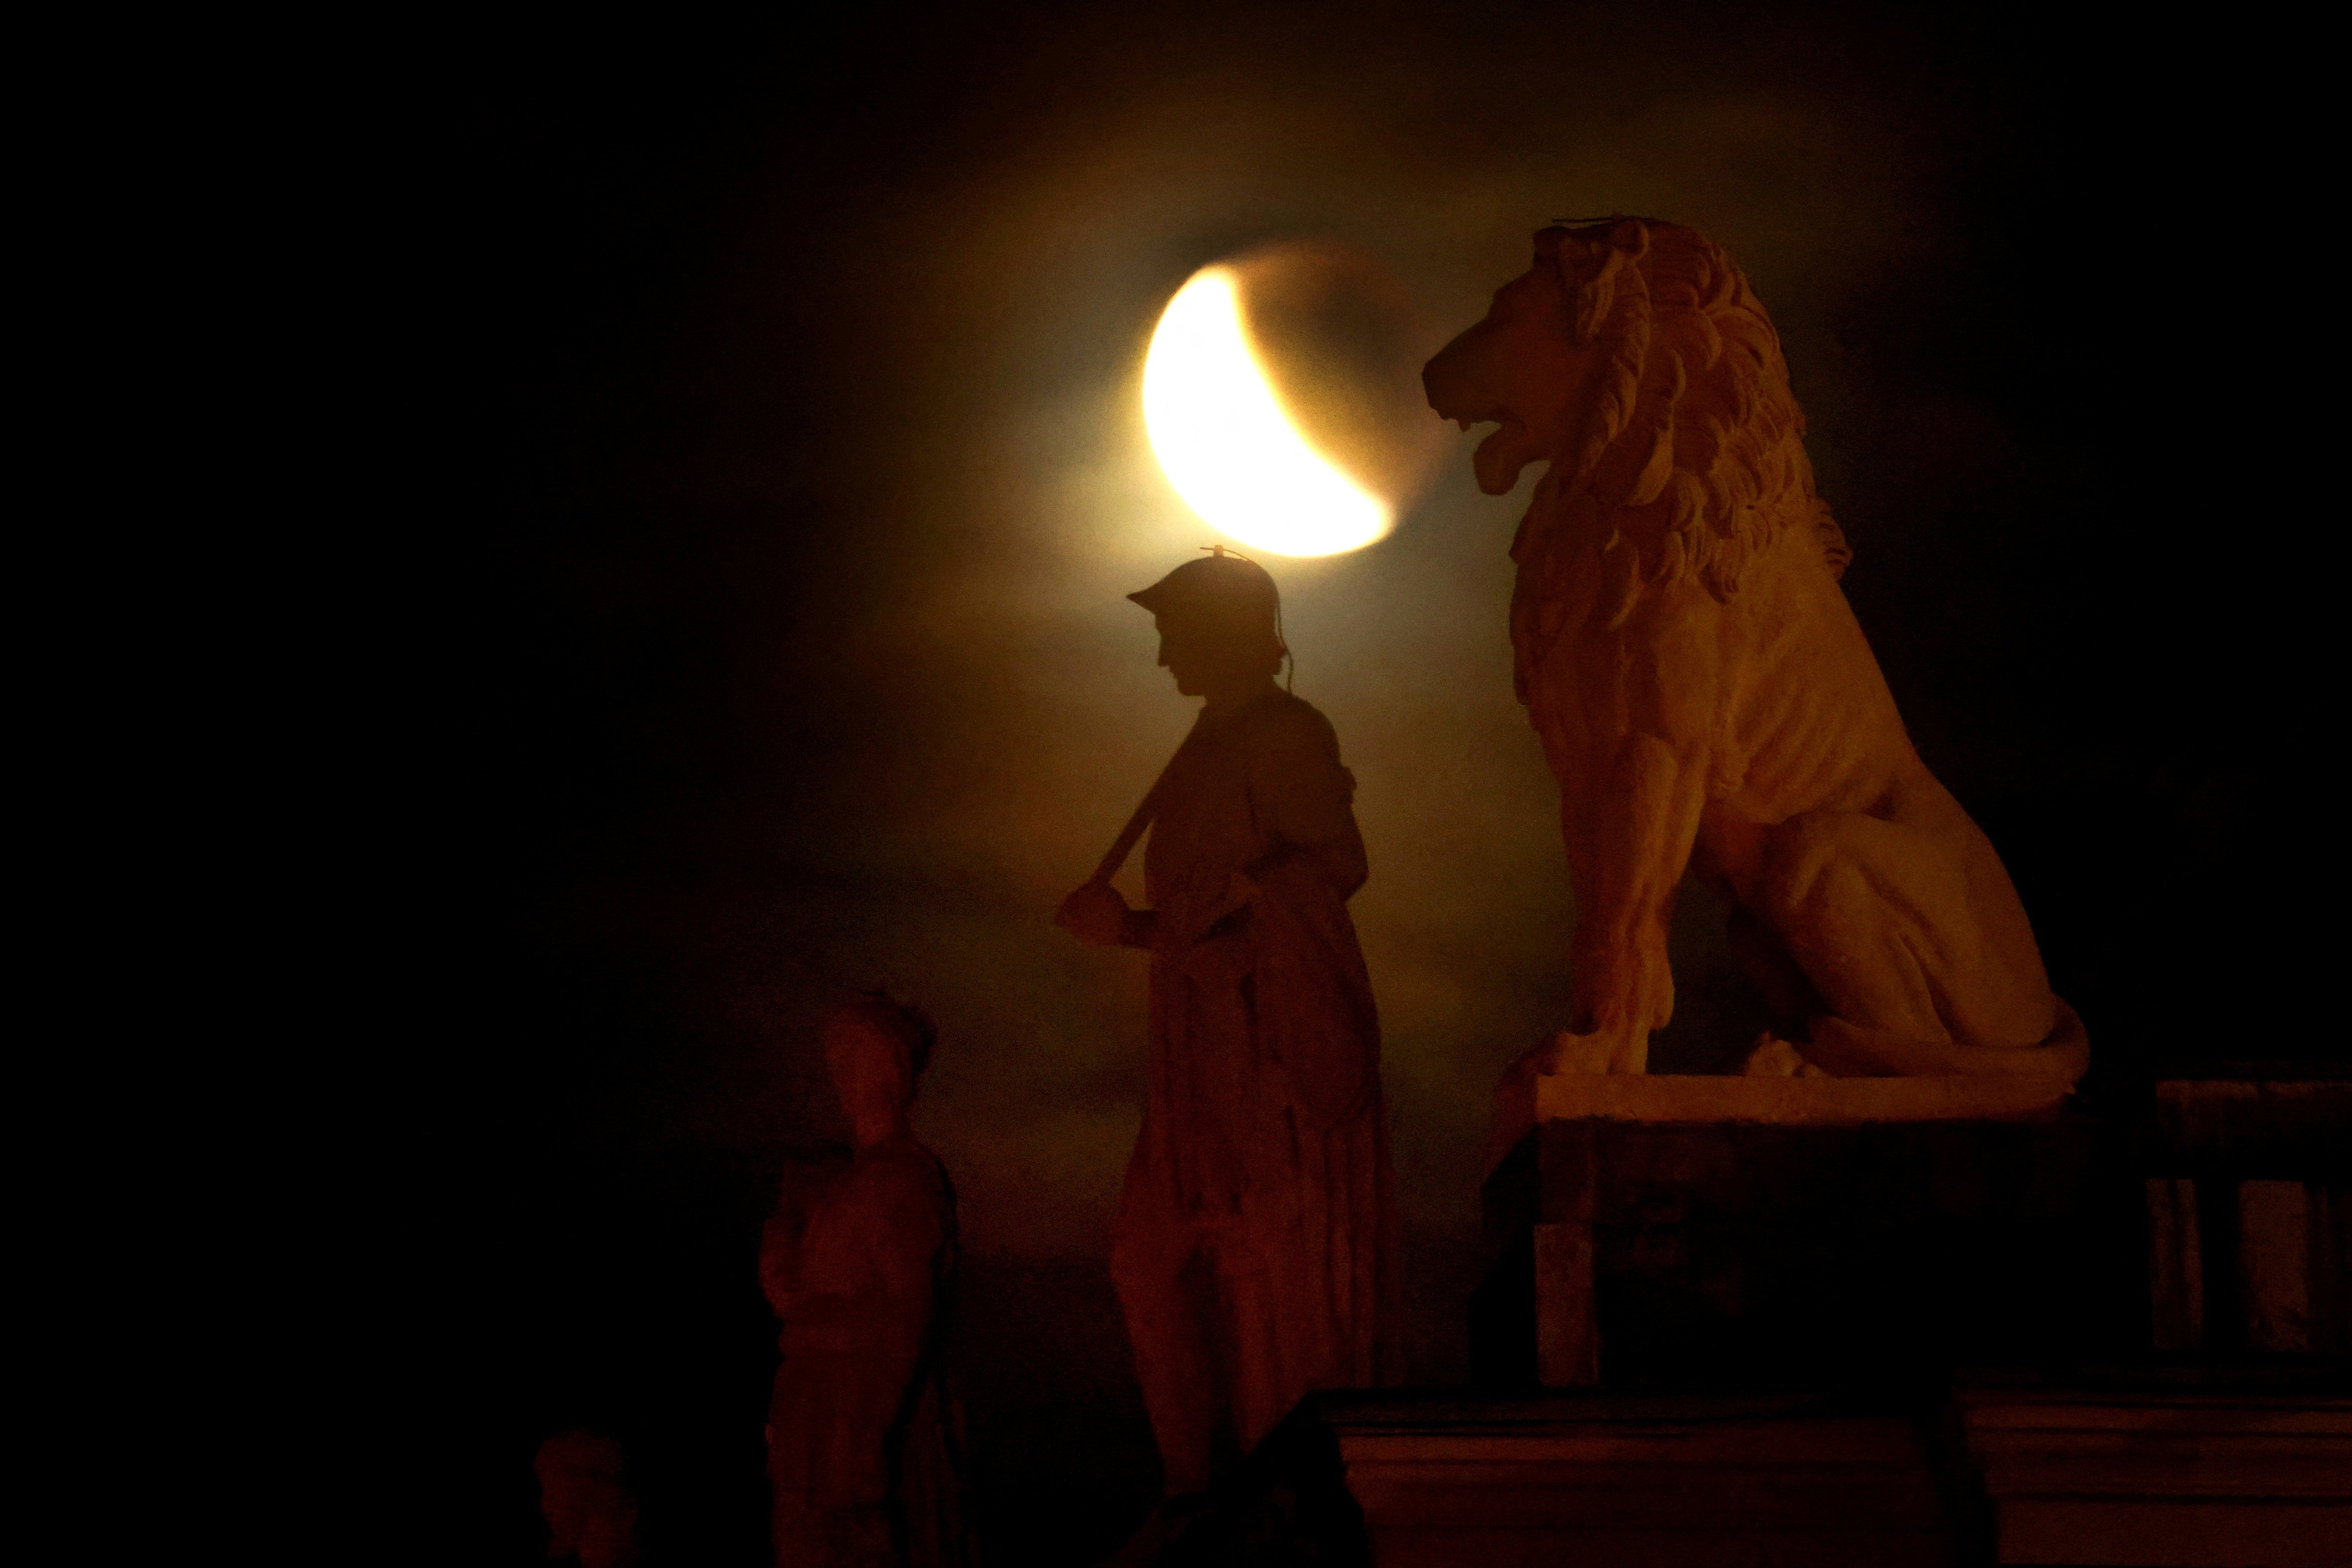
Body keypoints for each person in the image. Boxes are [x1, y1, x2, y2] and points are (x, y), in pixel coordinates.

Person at [1056, 550, 1399, 1505]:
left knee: (1248, 1260)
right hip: (1195, 1046)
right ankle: (1198, 1486)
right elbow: (1190, 920)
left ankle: (1261, 1487)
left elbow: (1337, 863)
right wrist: (1129, 927)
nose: (1163, 651)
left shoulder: (1286, 732)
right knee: (1148, 1253)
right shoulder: (1202, 749)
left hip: (1262, 1044)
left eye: (1174, 627)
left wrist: (1227, 919)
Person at [761, 994, 968, 1568]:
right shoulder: (846, 1185)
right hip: (821, 1421)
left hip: (859, 1423)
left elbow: (908, 1318)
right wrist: (785, 1230)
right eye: (835, 1052)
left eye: (853, 1049)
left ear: (892, 1063)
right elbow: (790, 1299)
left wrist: (866, 1441)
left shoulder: (903, 1177)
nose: (838, 1066)